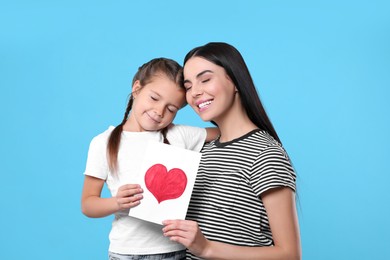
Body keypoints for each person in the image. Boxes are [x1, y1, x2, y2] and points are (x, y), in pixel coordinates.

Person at [162, 43, 301, 260]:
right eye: (188, 86)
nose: (195, 92)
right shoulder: (199, 150)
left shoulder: (266, 154)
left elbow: (289, 255)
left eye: (205, 79)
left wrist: (207, 248)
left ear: (235, 81)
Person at [81, 57, 219, 260]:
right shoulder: (103, 142)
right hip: (125, 253)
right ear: (136, 89)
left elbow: (225, 131)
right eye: (154, 98)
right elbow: (88, 204)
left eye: (171, 109)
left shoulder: (178, 134)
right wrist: (117, 203)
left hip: (173, 252)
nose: (159, 111)